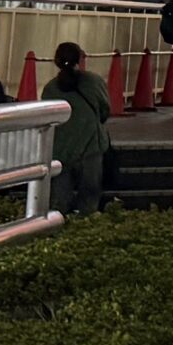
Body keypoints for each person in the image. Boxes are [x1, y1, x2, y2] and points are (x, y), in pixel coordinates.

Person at [43, 41, 113, 216]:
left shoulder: (50, 89)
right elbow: (105, 112)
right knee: (89, 201)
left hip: (61, 152)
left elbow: (47, 121)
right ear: (79, 59)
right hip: (91, 148)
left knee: (58, 203)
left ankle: (57, 234)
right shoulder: (94, 82)